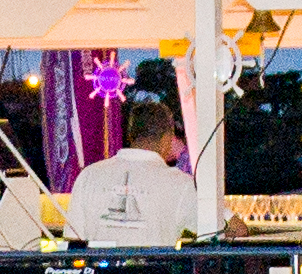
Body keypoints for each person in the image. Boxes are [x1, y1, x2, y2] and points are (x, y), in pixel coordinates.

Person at [66, 95, 205, 247]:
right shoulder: (181, 184)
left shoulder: (89, 175)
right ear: (167, 138)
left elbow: (73, 238)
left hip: (100, 269)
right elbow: (220, 224)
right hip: (154, 270)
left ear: (131, 134)